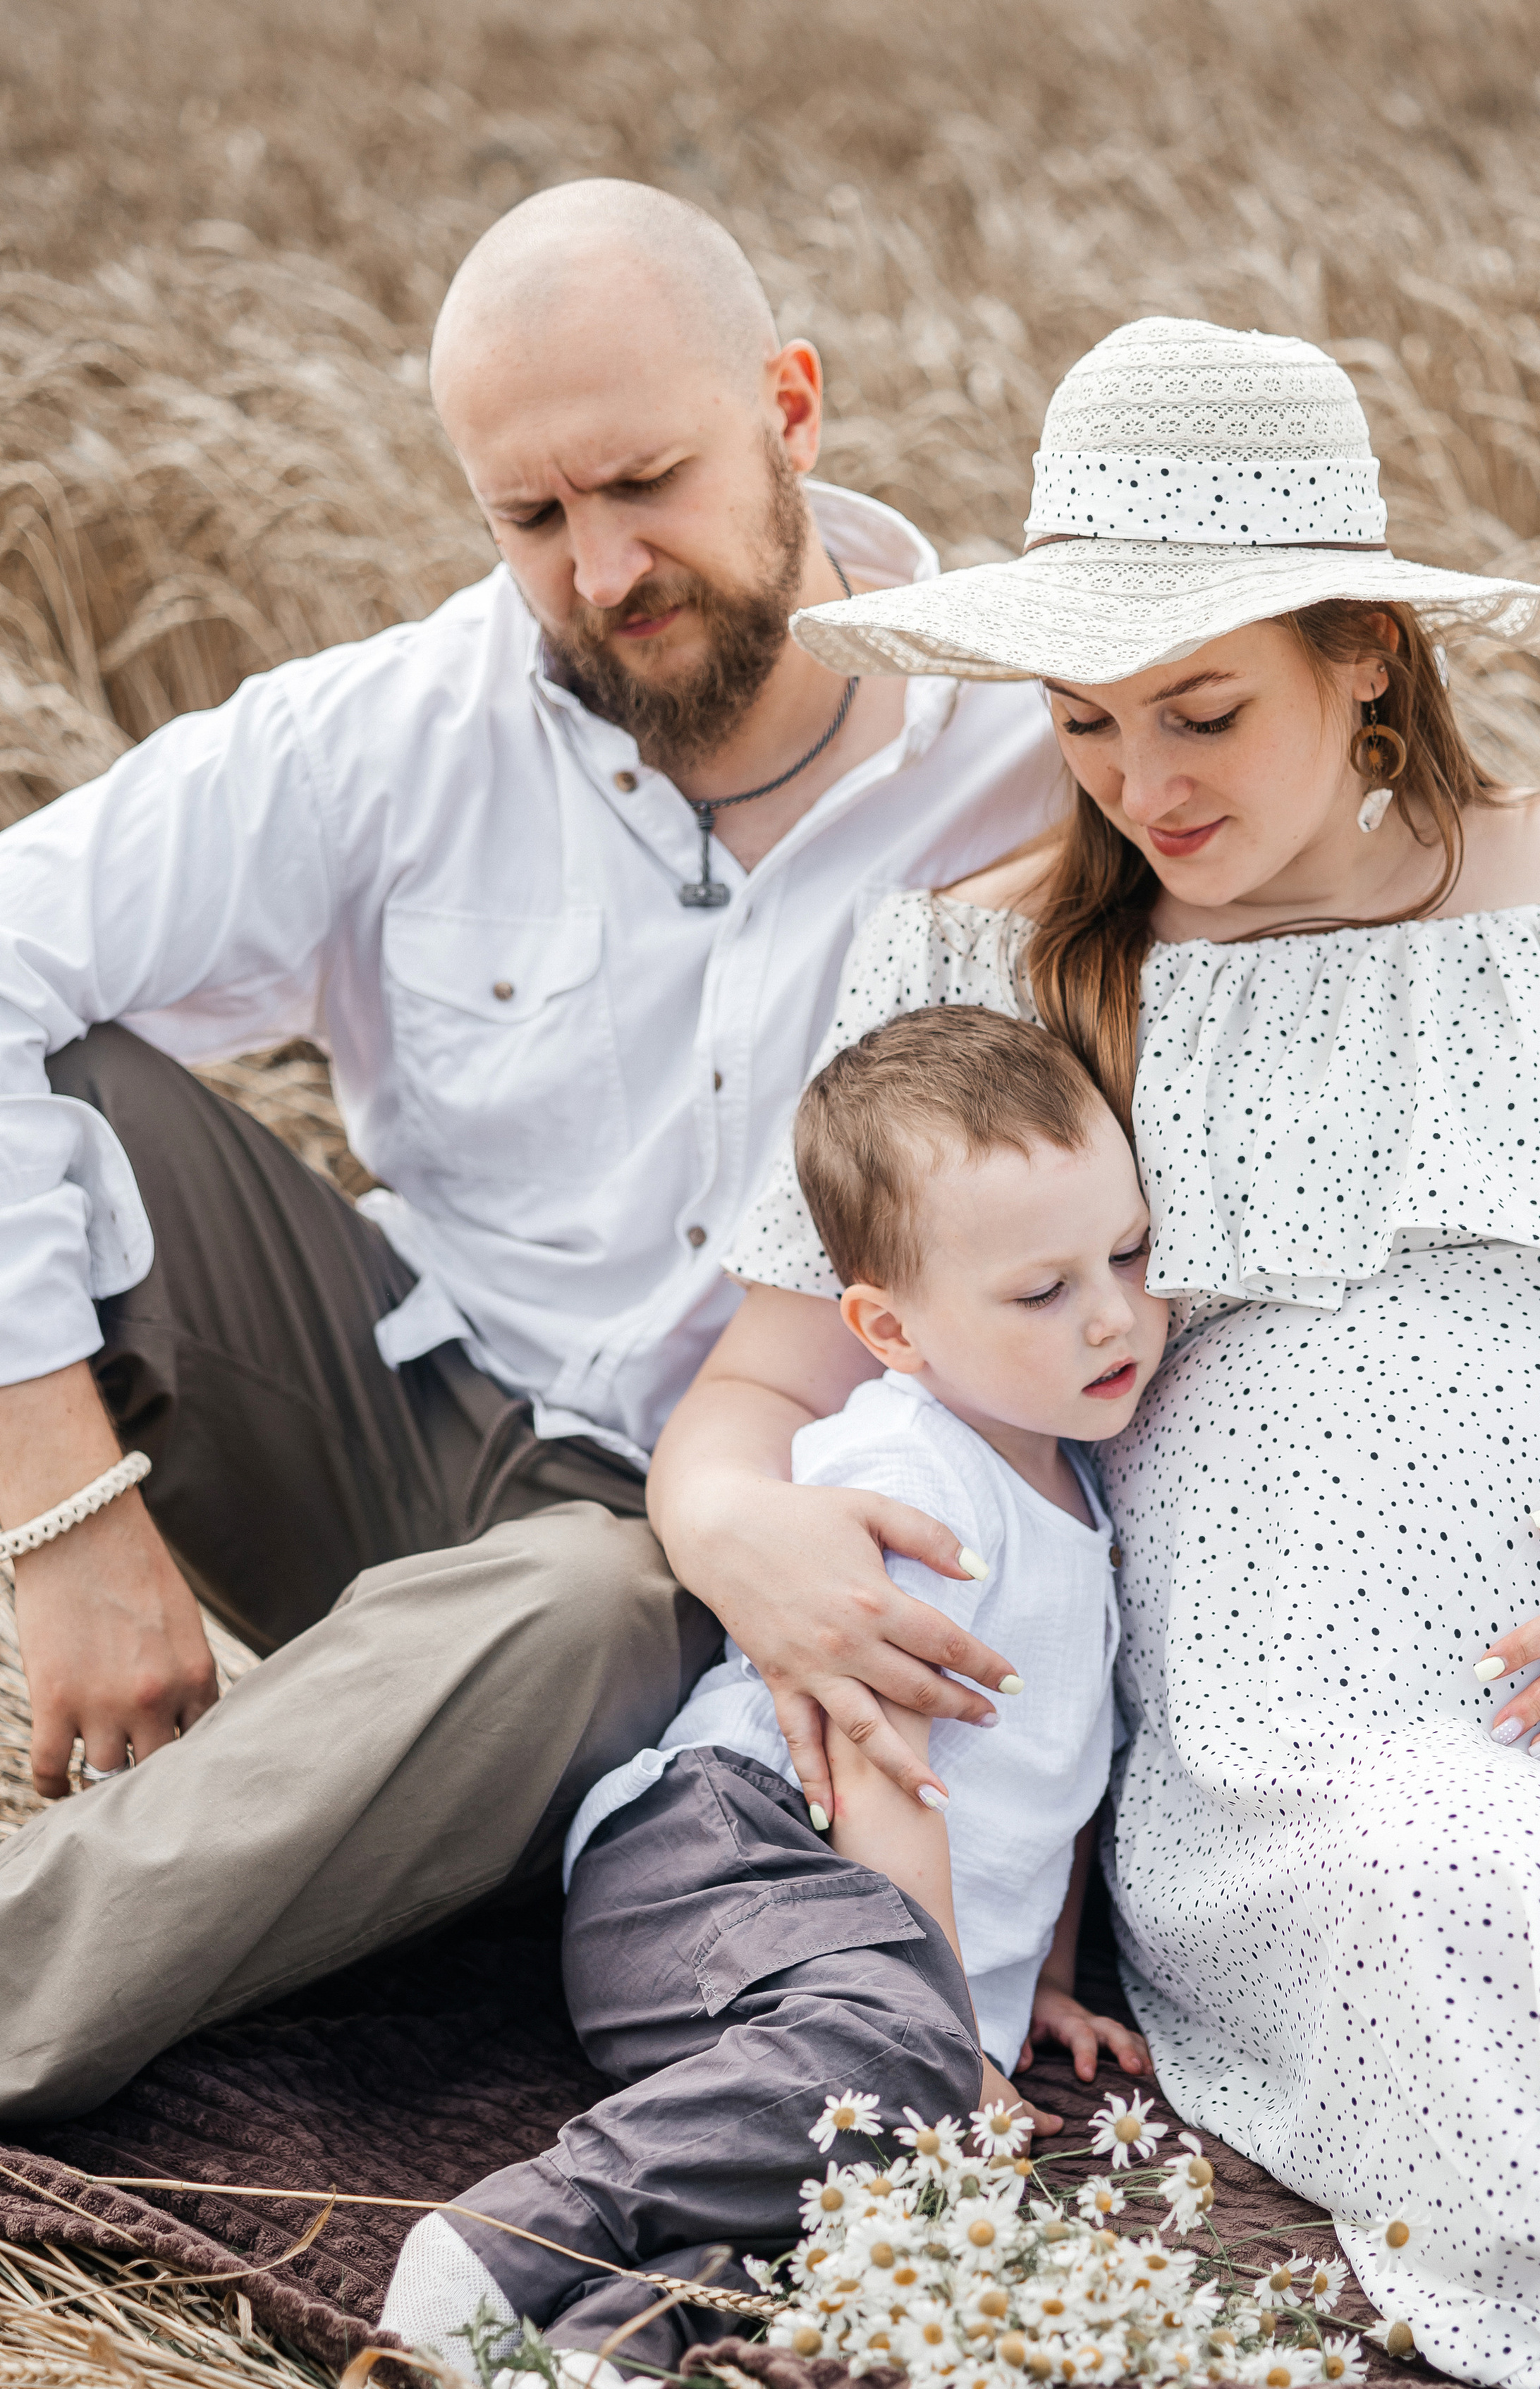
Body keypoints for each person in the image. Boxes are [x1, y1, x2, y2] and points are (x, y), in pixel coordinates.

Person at [652, 317, 1540, 2389]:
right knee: (1455, 1889)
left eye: (1205, 710)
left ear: (1367, 651)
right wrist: (756, 1548)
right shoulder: (975, 968)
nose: (1143, 785)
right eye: (1087, 722)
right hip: (1321, 1760)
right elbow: (749, 1401)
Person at [0, 179, 1063, 2125]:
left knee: (573, 1603)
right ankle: (372, 1769)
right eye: (534, 519)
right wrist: (61, 1508)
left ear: (794, 410)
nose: (601, 571)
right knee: (63, 1062)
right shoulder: (390, 732)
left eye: (647, 484)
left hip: (721, 1553)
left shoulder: (1028, 748)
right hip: (392, 1426)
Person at [379, 1004, 1162, 2377]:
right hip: (719, 1863)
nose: (1110, 1314)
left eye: (1130, 1254)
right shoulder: (912, 1476)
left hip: (860, 1969)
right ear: (887, 1328)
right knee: (890, 2094)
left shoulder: (1083, 1495)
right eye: (1040, 1292)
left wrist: (1033, 1983)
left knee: (851, 2201)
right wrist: (934, 2022)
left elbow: (1053, 1785)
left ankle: (593, 2357)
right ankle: (506, 2238)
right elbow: (878, 1758)